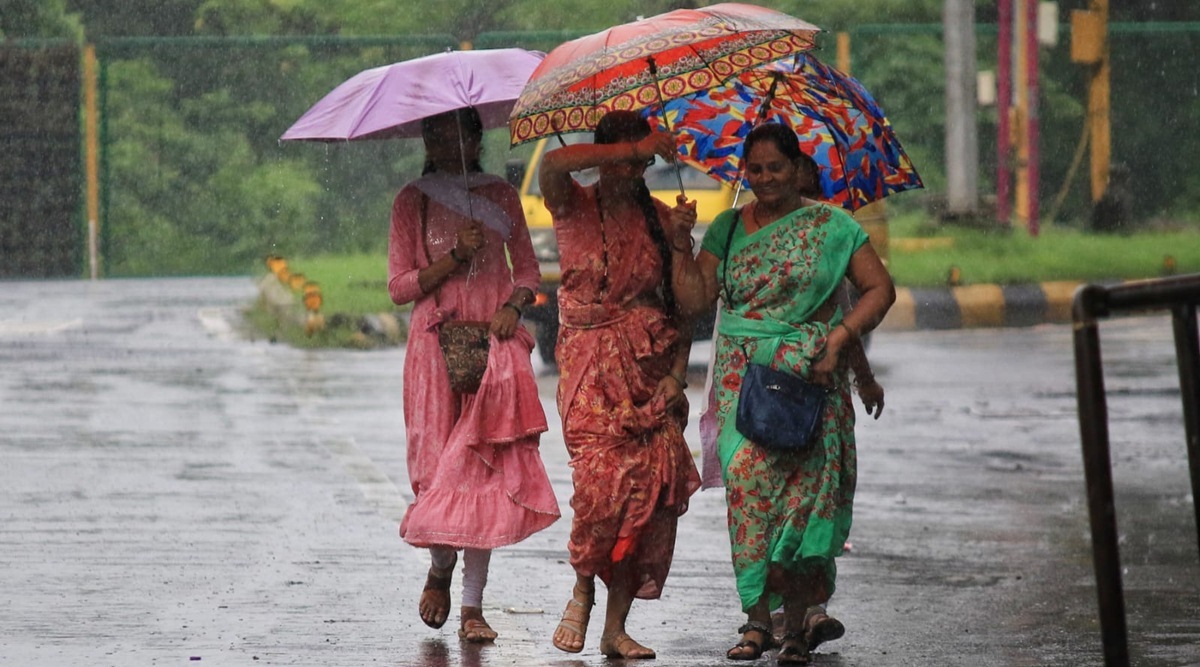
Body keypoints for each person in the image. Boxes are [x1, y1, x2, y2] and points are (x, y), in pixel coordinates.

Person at [670, 122, 896, 664]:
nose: (766, 178)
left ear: (797, 169)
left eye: (776, 167)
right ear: (744, 172)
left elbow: (879, 289)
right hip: (741, 385)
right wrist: (681, 243)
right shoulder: (726, 227)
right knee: (748, 495)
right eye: (756, 169)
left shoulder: (833, 226)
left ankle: (794, 629)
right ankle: (756, 622)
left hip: (811, 381)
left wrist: (841, 339)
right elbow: (695, 301)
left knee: (800, 507)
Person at [388, 107, 560, 643]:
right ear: (426, 138)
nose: (446, 140)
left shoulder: (502, 196)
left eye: (456, 131)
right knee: (438, 470)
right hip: (433, 353)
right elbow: (399, 286)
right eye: (434, 131)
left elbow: (528, 270)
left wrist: (514, 303)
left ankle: (471, 605)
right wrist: (451, 259)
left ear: (474, 136)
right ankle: (440, 567)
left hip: (493, 346)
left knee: (483, 470)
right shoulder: (411, 200)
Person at [538, 110, 702, 660]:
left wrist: (682, 247)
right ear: (609, 154)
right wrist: (631, 150)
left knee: (648, 502)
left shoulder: (660, 219)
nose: (636, 168)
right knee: (600, 489)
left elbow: (686, 311)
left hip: (650, 376)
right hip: (589, 371)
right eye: (628, 156)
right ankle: (583, 584)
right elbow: (557, 161)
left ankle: (615, 626)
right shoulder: (571, 204)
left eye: (644, 158)